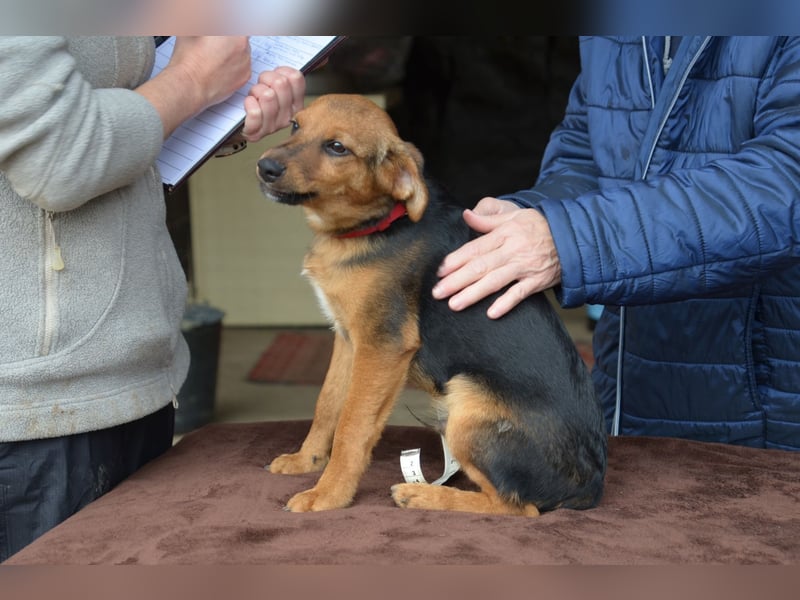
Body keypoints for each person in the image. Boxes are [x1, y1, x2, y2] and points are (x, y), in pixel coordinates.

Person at [0, 36, 305, 561]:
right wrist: (193, 80)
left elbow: (112, 127)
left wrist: (221, 104)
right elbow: (58, 157)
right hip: (37, 400)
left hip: (125, 373)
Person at [432, 36, 800, 451]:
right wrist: (526, 218)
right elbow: (586, 154)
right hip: (628, 396)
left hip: (774, 419)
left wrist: (568, 239)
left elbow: (785, 181)